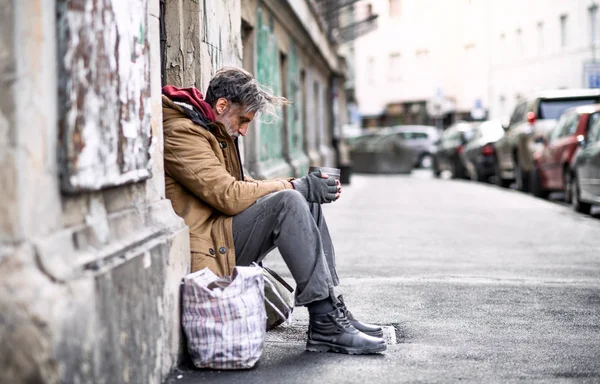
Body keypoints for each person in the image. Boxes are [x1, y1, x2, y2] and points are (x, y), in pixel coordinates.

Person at [162, 67, 385, 355]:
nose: (243, 130)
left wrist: (304, 187)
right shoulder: (182, 132)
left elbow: (239, 185)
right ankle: (326, 325)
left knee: (305, 199)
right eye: (243, 120)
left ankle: (331, 310)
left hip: (223, 233)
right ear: (221, 105)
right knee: (290, 200)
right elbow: (228, 195)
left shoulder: (209, 128)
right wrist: (292, 185)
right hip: (209, 245)